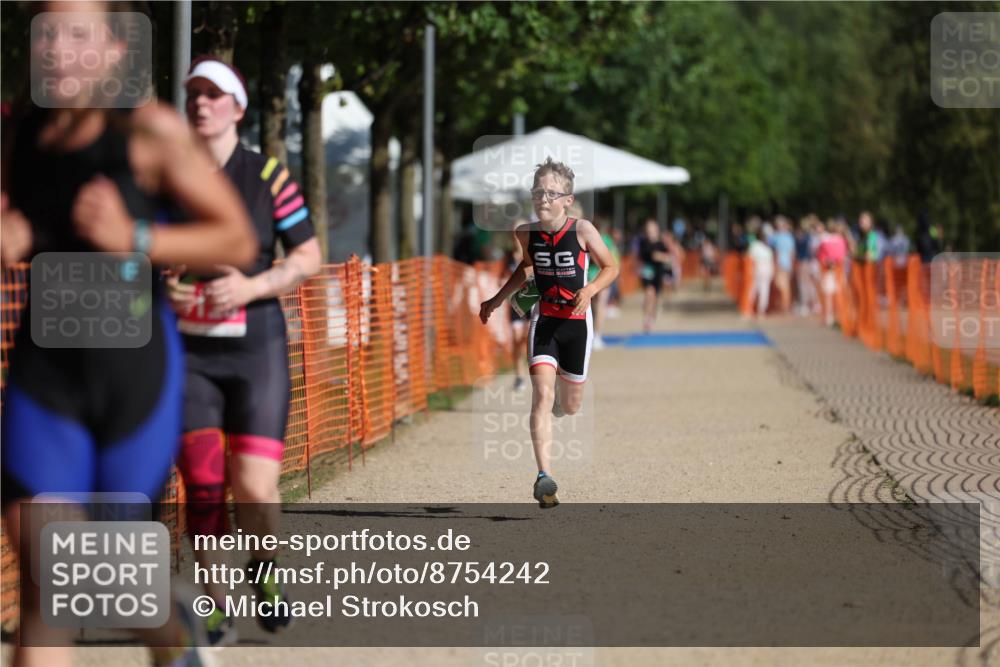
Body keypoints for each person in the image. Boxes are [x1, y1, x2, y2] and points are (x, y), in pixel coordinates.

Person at [0, 4, 257, 666]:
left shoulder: (149, 130)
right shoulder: (23, 130)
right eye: (47, 32)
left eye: (78, 34)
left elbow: (235, 236)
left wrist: (137, 237)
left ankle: (173, 634)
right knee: (45, 586)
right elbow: (18, 218)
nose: (58, 48)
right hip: (46, 371)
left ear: (115, 50)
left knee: (108, 572)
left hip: (131, 374)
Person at [167, 56, 322, 646]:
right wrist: (163, 283)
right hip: (189, 357)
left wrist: (253, 285)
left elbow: (307, 255)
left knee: (255, 485)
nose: (200, 103)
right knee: (204, 487)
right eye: (192, 95)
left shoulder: (270, 176)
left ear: (237, 108)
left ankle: (264, 572)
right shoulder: (166, 177)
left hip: (255, 347)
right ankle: (214, 605)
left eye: (213, 94)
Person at [479, 158, 618, 508]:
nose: (542, 198)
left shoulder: (583, 230)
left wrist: (588, 291)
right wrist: (496, 300)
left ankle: (561, 400)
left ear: (567, 199)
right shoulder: (526, 232)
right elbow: (526, 268)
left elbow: (611, 267)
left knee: (570, 407)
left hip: (576, 325)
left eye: (550, 192)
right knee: (539, 397)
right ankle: (544, 477)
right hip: (544, 321)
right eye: (537, 191)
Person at [587, 219, 620, 349]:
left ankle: (594, 335)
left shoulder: (584, 236)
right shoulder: (605, 239)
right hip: (601, 275)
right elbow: (611, 259)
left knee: (594, 307)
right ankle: (597, 336)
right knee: (600, 307)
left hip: (590, 275)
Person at [503, 240, 530, 391]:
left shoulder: (531, 253)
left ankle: (537, 372)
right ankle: (519, 376)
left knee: (527, 338)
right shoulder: (508, 257)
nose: (514, 237)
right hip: (515, 302)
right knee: (515, 337)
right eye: (512, 233)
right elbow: (503, 276)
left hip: (531, 301)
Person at [636, 219, 671, 333]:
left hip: (658, 272)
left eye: (652, 228)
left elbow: (667, 257)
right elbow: (644, 255)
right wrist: (656, 256)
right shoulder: (643, 242)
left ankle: (651, 317)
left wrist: (659, 256)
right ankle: (646, 318)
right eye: (648, 229)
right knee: (649, 293)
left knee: (655, 297)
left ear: (656, 230)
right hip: (647, 271)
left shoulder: (661, 244)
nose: (650, 231)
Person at [816, 219, 849, 326]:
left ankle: (831, 317)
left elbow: (820, 256)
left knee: (829, 295)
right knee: (836, 294)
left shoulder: (825, 240)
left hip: (830, 270)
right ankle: (836, 316)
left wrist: (828, 262)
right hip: (836, 270)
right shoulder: (839, 240)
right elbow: (842, 256)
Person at [746, 221, 775, 318]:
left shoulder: (755, 246)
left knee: (756, 289)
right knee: (762, 289)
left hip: (760, 267)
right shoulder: (766, 246)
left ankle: (752, 309)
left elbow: (750, 258)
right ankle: (759, 310)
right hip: (765, 268)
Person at [769, 216, 796, 314]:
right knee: (784, 286)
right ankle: (784, 305)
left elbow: (776, 252)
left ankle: (785, 306)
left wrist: (775, 265)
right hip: (785, 264)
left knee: (781, 285)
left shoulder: (776, 237)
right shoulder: (789, 237)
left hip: (780, 264)